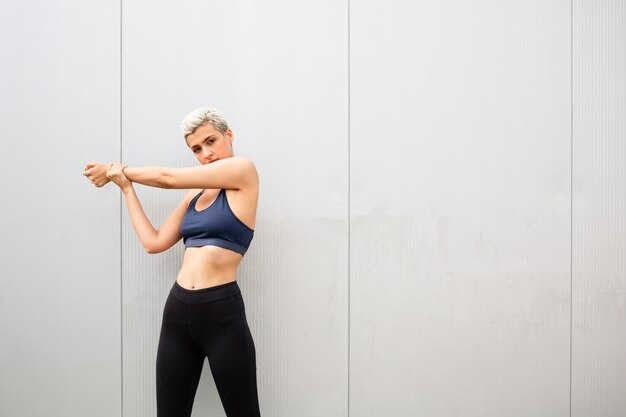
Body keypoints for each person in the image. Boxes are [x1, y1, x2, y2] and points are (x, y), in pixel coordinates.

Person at [82, 107, 261, 417]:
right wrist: (126, 188)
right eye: (196, 149)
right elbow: (154, 242)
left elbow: (167, 178)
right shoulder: (195, 193)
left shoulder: (243, 171)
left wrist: (117, 169)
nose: (206, 153)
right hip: (178, 314)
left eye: (211, 141)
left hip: (221, 313)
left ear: (229, 136)